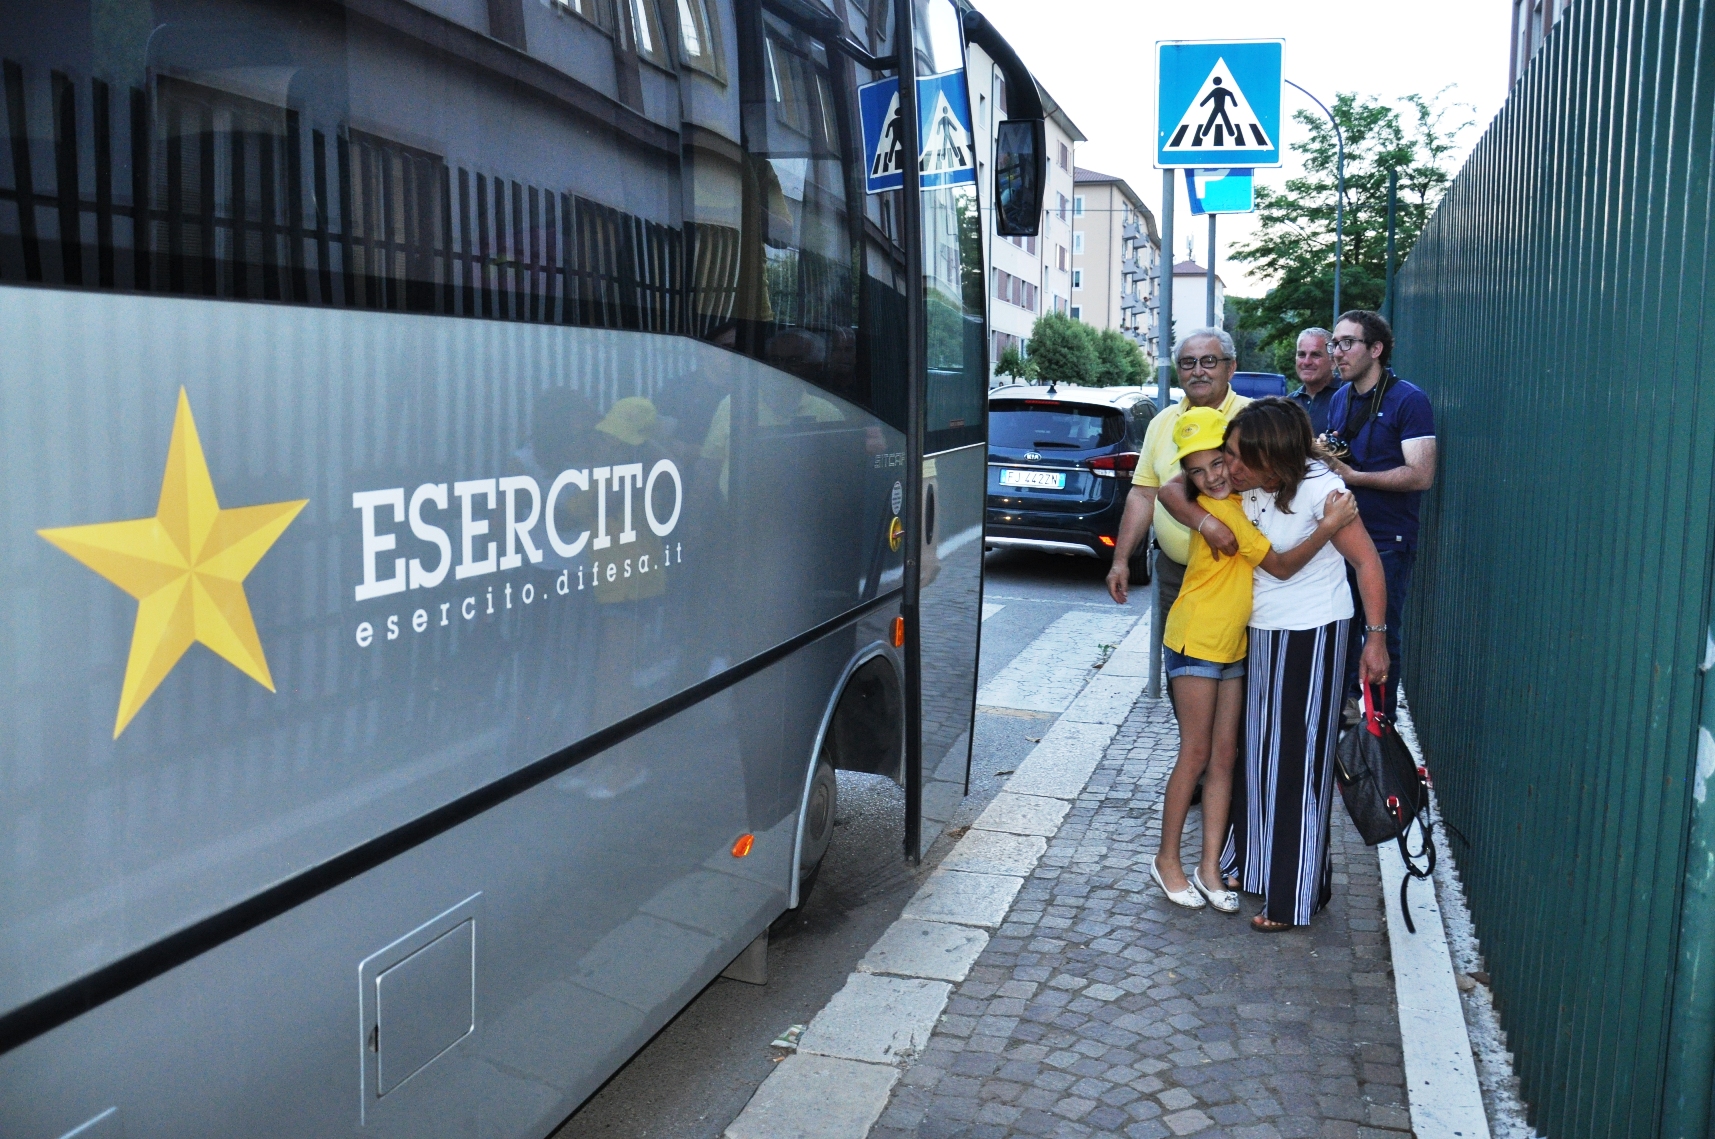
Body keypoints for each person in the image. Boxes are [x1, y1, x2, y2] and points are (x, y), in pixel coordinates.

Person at [1159, 398, 1389, 932]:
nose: (1230, 467)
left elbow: (1366, 562)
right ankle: (1255, 866)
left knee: (1297, 765)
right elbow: (1171, 487)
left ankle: (1294, 894)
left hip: (1313, 633)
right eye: (1229, 454)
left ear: (1273, 457)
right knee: (1259, 759)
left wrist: (1375, 639)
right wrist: (1204, 521)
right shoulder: (1245, 482)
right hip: (1259, 635)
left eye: (1241, 457)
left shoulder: (1322, 492)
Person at [1323, 310, 1437, 719]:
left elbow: (1421, 474)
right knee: (1341, 634)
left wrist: (1356, 477)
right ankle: (1344, 719)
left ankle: (1379, 730)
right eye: (1335, 343)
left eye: (1347, 343)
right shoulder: (1341, 398)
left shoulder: (1409, 399)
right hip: (1341, 538)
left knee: (1380, 640)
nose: (1337, 352)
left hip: (1388, 541)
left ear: (1376, 349)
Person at [1106, 328, 1251, 618]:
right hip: (1176, 575)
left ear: (1231, 367)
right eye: (1188, 363)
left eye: (1209, 361)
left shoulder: (1254, 418)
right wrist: (1120, 561)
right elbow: (1143, 495)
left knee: (1235, 649)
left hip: (1240, 571)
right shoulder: (1162, 422)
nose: (1198, 371)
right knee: (1176, 647)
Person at [1289, 327, 1341, 436]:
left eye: (1315, 355)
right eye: (1301, 354)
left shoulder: (1348, 396)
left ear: (1333, 362)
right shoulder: (1289, 403)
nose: (1307, 362)